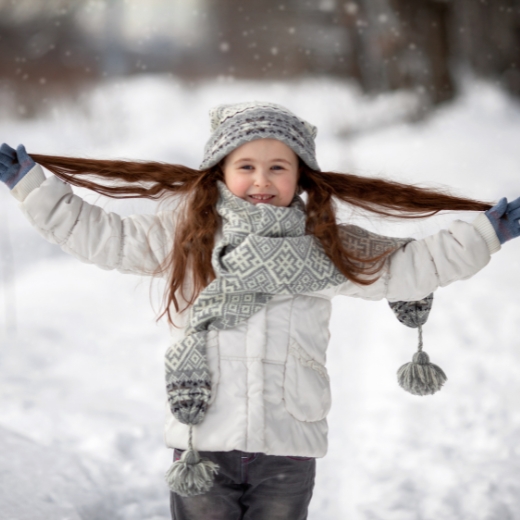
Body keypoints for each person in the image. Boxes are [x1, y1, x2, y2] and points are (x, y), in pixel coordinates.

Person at [1, 101, 519, 520]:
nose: (262, 180)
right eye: (246, 166)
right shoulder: (188, 238)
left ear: (302, 179)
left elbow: (411, 265)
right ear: (221, 174)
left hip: (288, 446)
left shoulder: (326, 247)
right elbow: (102, 235)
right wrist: (33, 187)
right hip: (203, 442)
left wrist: (485, 234)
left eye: (278, 167)